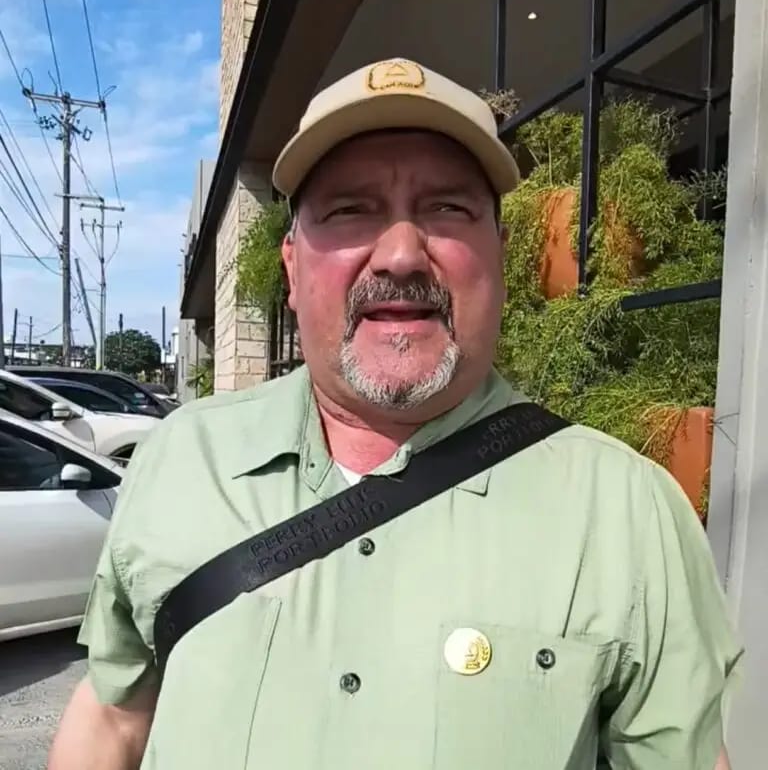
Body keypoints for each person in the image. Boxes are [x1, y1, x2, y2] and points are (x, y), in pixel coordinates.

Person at [49, 59, 742, 770]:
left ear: (500, 259)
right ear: (292, 268)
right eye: (351, 210)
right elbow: (114, 717)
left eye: (447, 209)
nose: (403, 254)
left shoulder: (627, 512)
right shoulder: (180, 460)